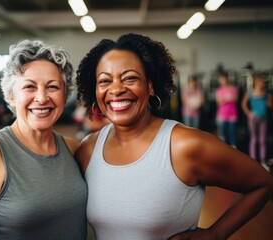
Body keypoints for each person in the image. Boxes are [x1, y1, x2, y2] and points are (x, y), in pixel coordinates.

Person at [74, 33, 273, 240]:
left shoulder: (184, 145)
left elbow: (261, 183)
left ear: (150, 86)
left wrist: (217, 233)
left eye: (130, 78)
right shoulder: (88, 149)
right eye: (105, 81)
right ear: (95, 90)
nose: (116, 89)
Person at [0, 39, 88, 240]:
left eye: (53, 87)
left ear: (65, 96)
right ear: (11, 96)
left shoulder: (73, 149)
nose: (42, 97)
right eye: (29, 86)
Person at [241, 73, 273, 170]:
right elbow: (243, 104)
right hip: (253, 119)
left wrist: (269, 103)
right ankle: (253, 161)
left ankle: (263, 161)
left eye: (262, 81)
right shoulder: (250, 93)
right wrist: (249, 113)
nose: (262, 83)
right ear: (256, 83)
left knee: (262, 140)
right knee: (254, 139)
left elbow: (270, 105)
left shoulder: (266, 93)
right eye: (260, 81)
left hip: (263, 118)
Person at [215, 72, 239, 148]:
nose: (223, 80)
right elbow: (219, 102)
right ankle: (223, 150)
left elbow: (236, 99)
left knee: (232, 133)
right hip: (222, 115)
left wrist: (227, 98)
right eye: (221, 79)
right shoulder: (219, 90)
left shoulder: (233, 89)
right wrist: (226, 98)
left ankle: (234, 149)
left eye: (224, 79)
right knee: (222, 135)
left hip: (232, 114)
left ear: (227, 79)